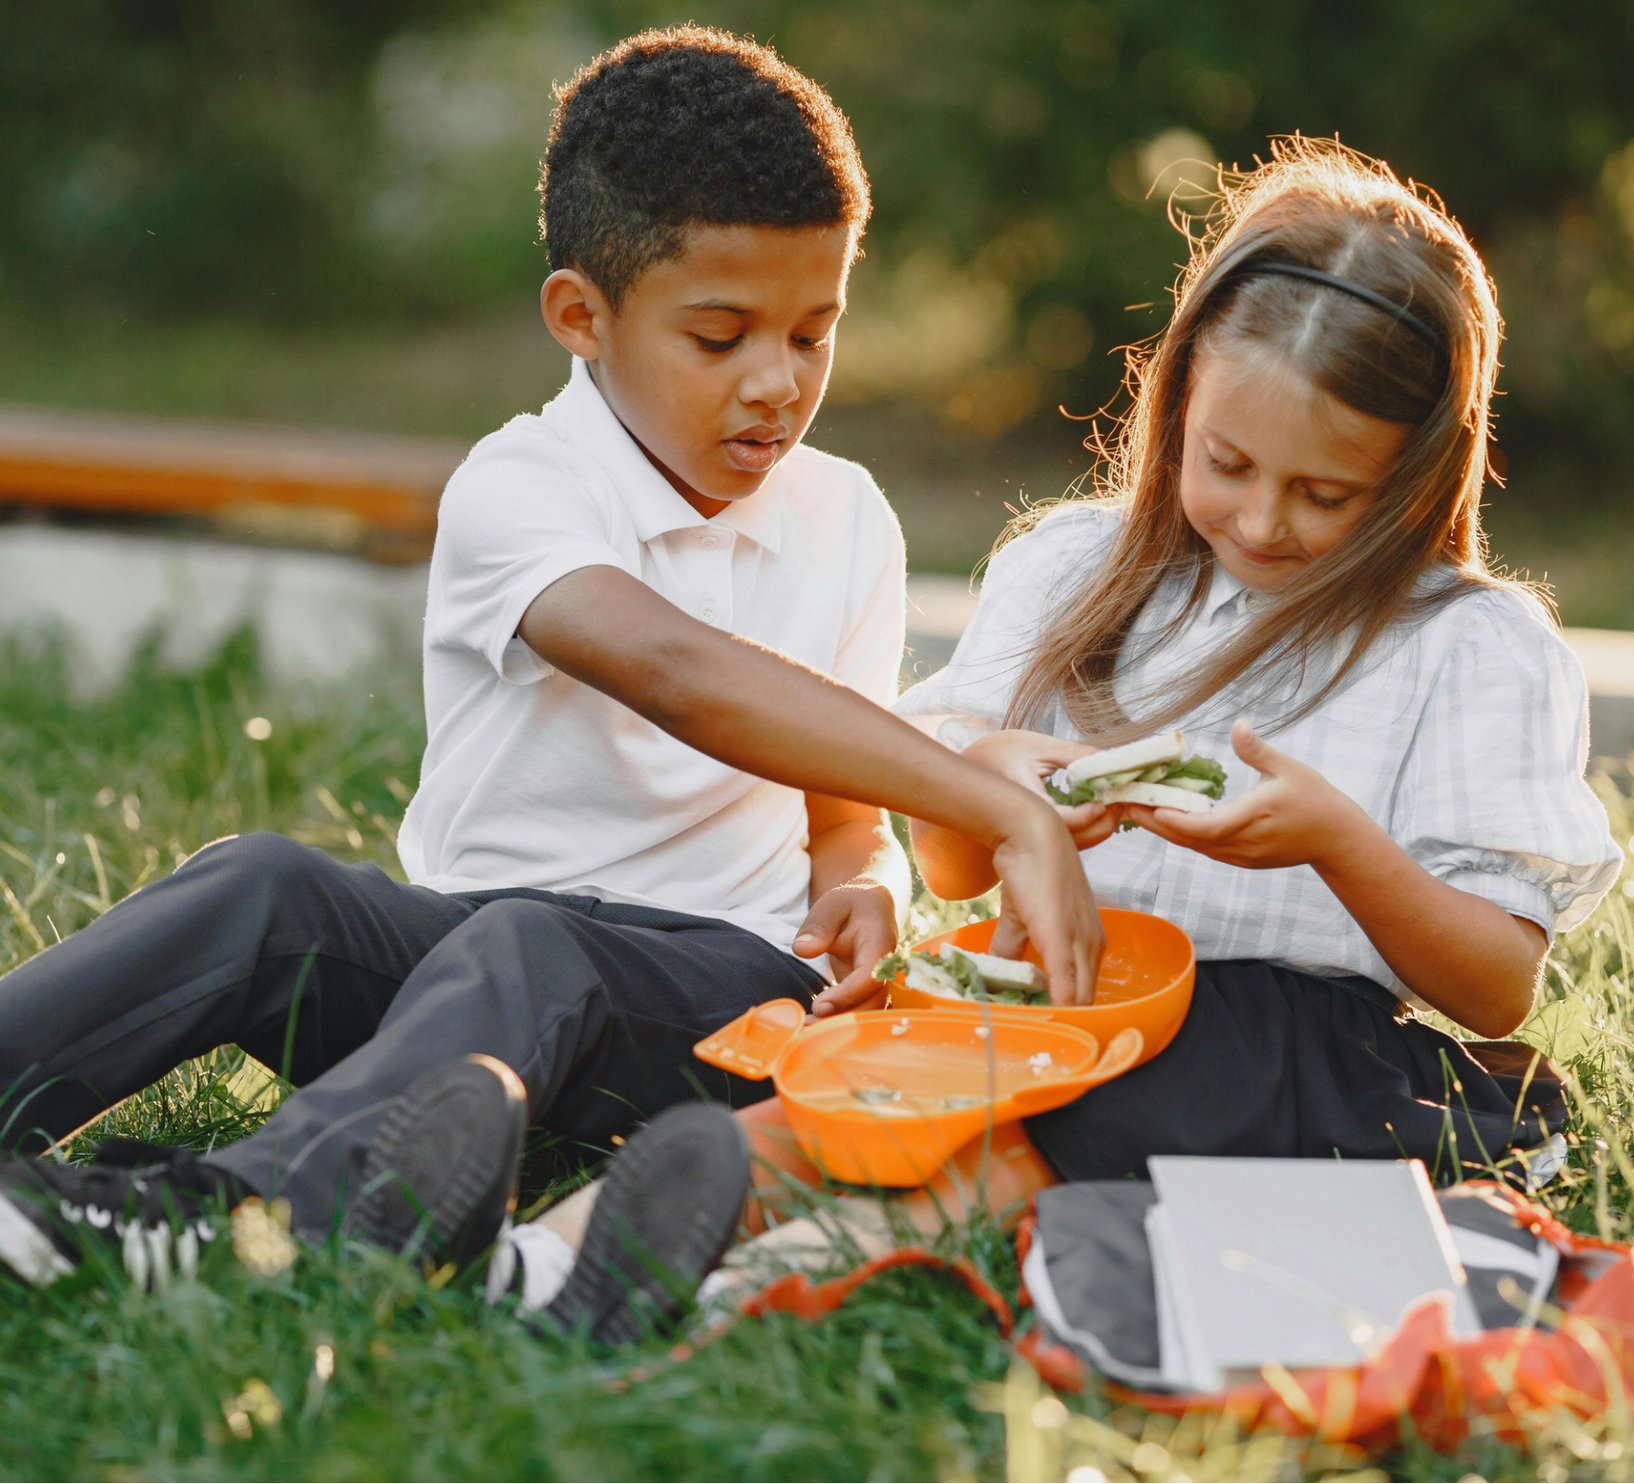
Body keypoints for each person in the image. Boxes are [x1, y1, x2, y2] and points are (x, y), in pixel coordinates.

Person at [372, 135, 1625, 1343]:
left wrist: (1336, 841)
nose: (1261, 519)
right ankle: (545, 1261)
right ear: (1178, 401)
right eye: (1228, 462)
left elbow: (1494, 983)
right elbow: (954, 867)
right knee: (862, 1102)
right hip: (1044, 1007)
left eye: (1326, 494)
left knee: (1069, 1114)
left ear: (1419, 474)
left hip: (1279, 1041)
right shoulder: (1077, 568)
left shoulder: (1465, 644)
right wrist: (992, 786)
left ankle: (748, 1268)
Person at [0, 26, 1104, 1297]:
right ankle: (394, 1158)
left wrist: (869, 880)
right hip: (456, 983)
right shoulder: (519, 487)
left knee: (536, 942)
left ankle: (226, 1221)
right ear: (583, 315)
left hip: (725, 999)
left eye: (814, 333)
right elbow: (673, 669)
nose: (777, 382)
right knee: (261, 885)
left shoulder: (847, 516)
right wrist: (991, 803)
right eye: (721, 336)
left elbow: (841, 818)